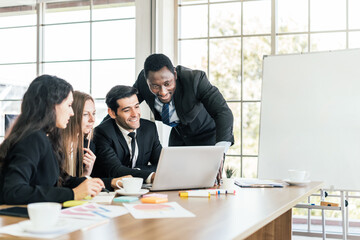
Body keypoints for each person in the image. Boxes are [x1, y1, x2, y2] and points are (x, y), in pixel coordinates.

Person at [0, 75, 104, 204]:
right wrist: (73, 194)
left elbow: (63, 180)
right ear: (52, 105)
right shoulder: (33, 138)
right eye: (69, 105)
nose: (72, 113)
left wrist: (92, 183)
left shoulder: (48, 137)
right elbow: (14, 191)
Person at [133, 54, 234, 181]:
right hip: (179, 135)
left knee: (204, 181)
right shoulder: (143, 82)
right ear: (147, 81)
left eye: (167, 83)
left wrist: (220, 151)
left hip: (206, 135)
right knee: (174, 179)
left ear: (175, 74)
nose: (163, 92)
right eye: (155, 86)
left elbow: (223, 112)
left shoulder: (195, 80)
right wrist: (102, 133)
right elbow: (123, 103)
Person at [61, 91, 131, 190]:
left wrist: (86, 172)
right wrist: (111, 182)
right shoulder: (55, 145)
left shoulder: (88, 145)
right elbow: (62, 184)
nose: (92, 119)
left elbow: (76, 185)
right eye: (85, 114)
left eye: (93, 113)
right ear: (71, 114)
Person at [92, 85, 162, 182]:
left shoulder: (149, 128)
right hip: (111, 191)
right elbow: (115, 171)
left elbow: (162, 165)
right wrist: (149, 175)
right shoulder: (102, 133)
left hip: (141, 188)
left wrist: (137, 171)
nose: (134, 114)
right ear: (112, 113)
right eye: (127, 110)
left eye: (136, 107)